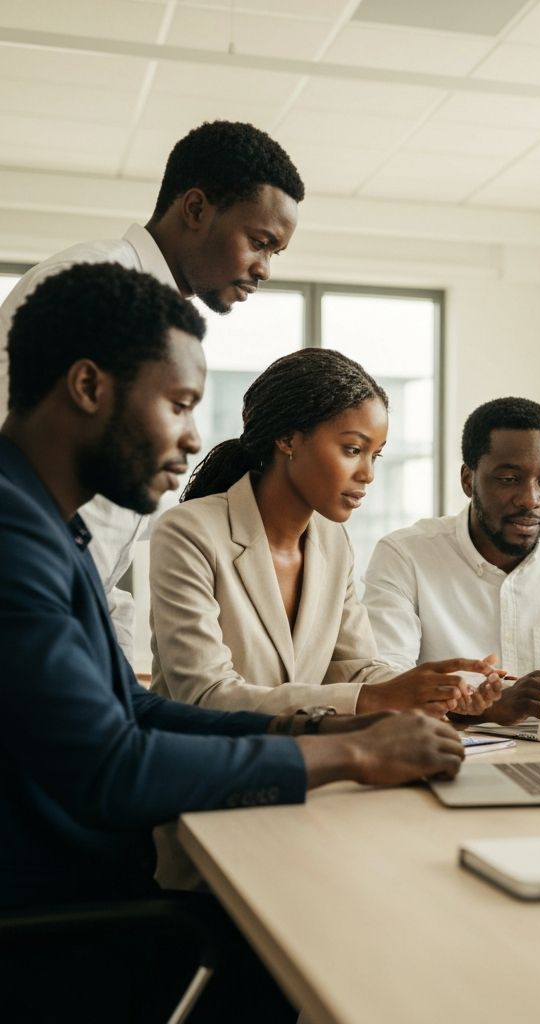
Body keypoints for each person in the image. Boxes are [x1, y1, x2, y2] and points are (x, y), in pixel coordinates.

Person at [0, 263, 465, 1020]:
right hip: (69, 928)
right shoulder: (14, 539)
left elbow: (135, 714)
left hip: (92, 896)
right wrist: (347, 752)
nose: (193, 436)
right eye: (180, 404)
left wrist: (323, 725)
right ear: (88, 388)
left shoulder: (48, 527)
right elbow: (114, 767)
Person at [0, 120, 305, 661]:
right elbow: (32, 473)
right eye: (259, 243)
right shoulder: (97, 285)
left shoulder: (165, 323)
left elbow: (100, 553)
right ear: (195, 209)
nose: (263, 269)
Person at [149, 348, 501, 717]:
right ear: (287, 438)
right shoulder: (189, 531)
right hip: (204, 765)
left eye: (375, 455)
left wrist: (433, 687)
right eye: (352, 449)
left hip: (303, 763)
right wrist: (373, 698)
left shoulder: (332, 543)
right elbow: (206, 696)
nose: (368, 474)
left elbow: (356, 668)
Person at [363, 397, 540, 726]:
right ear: (468, 480)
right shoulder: (405, 555)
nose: (530, 499)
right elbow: (384, 686)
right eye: (508, 479)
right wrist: (485, 706)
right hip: (451, 759)